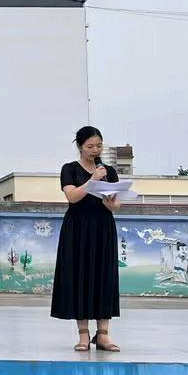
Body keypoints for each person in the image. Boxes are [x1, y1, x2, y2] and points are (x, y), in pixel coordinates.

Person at [51, 125, 122, 352]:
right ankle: (83, 335)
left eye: (99, 146)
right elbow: (72, 197)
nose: (95, 150)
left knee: (104, 277)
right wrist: (92, 180)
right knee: (79, 276)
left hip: (103, 227)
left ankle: (103, 335)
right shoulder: (70, 169)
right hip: (78, 228)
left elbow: (116, 205)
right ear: (80, 147)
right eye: (90, 146)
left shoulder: (109, 171)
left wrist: (111, 202)